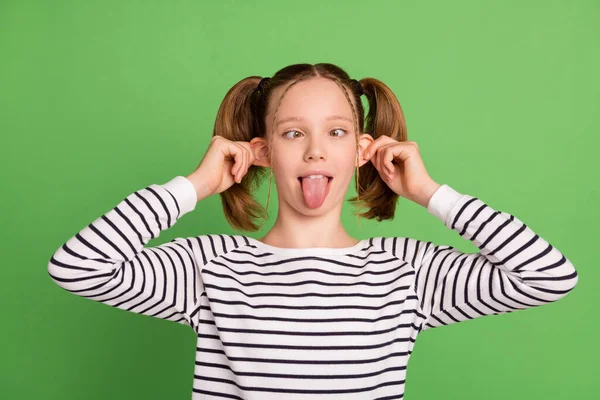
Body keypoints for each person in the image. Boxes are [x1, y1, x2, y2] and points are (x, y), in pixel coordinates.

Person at [48, 62, 579, 399]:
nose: (316, 150)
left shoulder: (408, 271)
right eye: (293, 132)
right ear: (260, 151)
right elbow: (77, 266)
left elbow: (548, 277)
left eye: (337, 132)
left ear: (362, 150)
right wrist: (195, 184)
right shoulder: (209, 266)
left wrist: (429, 193)